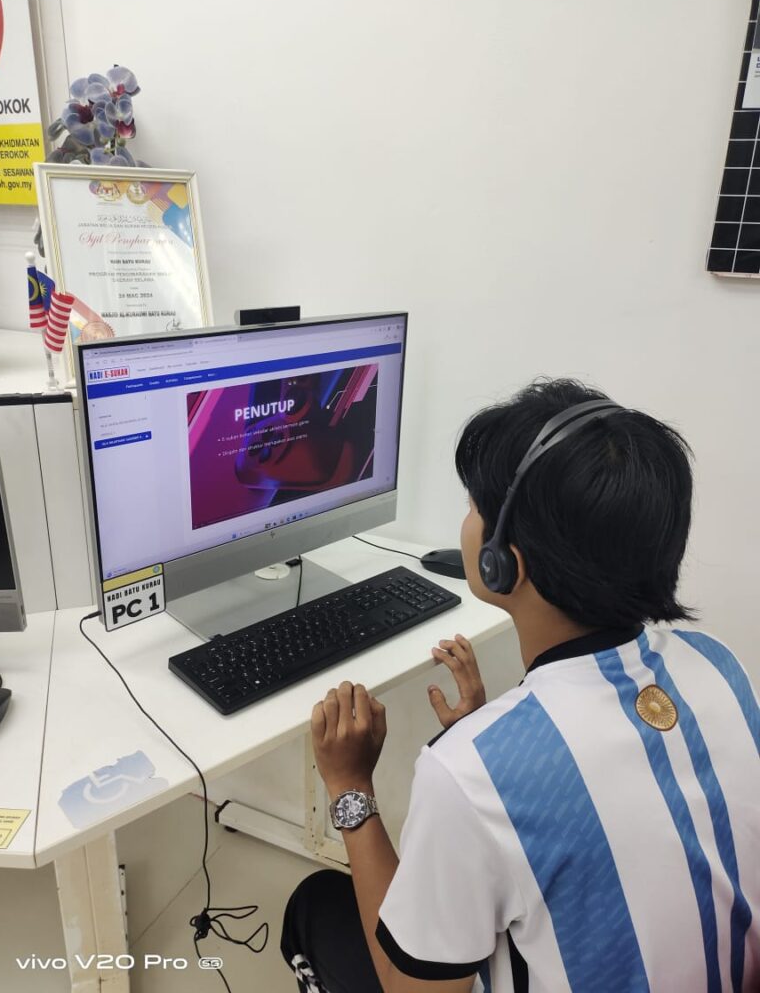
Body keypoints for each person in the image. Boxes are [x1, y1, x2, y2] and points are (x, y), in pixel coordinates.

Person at [281, 378, 760, 993]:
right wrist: (488, 739)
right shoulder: (719, 666)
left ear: (504, 560)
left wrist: (350, 786)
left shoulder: (469, 772)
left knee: (315, 905)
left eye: (473, 506)